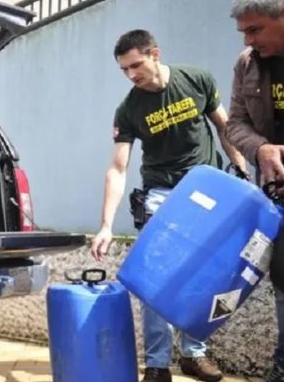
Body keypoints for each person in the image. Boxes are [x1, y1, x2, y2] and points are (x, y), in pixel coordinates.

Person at [90, 29, 248, 382]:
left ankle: (194, 354)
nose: (131, 75)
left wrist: (240, 166)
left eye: (136, 65)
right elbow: (117, 167)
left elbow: (225, 128)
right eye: (124, 70)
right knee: (155, 281)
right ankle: (158, 365)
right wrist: (105, 225)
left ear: (155, 54)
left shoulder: (196, 79)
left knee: (203, 275)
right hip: (160, 193)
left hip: (206, 190)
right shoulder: (129, 108)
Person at [226, 0, 284, 380]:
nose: (248, 40)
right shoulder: (247, 64)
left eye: (255, 29)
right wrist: (261, 148)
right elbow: (235, 124)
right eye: (244, 31)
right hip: (282, 194)